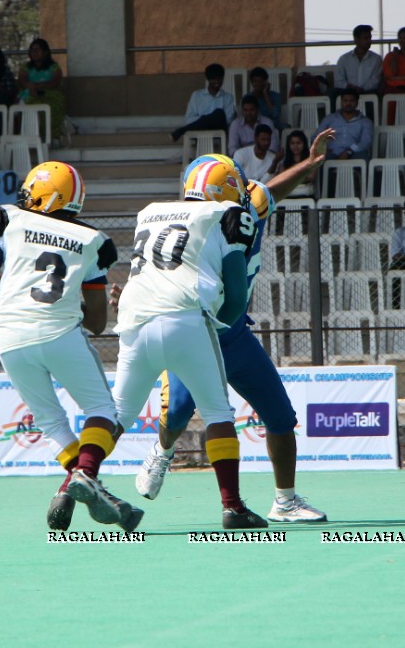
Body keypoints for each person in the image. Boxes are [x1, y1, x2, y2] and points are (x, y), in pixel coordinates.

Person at [128, 135, 335, 524]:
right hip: (193, 333)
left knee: (280, 416)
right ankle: (163, 450)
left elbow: (269, 191)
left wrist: (307, 166)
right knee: (174, 418)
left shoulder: (244, 207)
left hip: (234, 334)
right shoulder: (196, 223)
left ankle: (285, 500)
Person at [0, 161, 142, 533]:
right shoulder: (94, 241)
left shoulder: (7, 217)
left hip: (8, 334)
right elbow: (95, 324)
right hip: (58, 332)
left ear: (43, 193)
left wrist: (11, 279)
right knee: (102, 412)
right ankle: (87, 475)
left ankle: (81, 483)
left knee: (49, 422)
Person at [112, 159, 266, 529]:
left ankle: (75, 479)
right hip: (189, 319)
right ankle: (232, 505)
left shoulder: (152, 213)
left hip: (136, 319)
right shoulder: (226, 218)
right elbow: (235, 297)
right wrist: (218, 325)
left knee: (115, 413)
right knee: (215, 413)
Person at [15, 38, 66, 143]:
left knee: (55, 103)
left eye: (37, 50)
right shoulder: (26, 67)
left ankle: (52, 137)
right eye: (32, 50)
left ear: (45, 52)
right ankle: (33, 138)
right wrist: (31, 86)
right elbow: (22, 80)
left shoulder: (54, 67)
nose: (34, 53)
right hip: (30, 94)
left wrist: (39, 86)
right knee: (29, 105)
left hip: (49, 94)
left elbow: (54, 82)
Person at [172, 63, 236, 142]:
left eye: (219, 78)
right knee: (216, 115)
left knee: (219, 113)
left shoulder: (228, 97)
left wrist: (205, 119)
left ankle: (182, 130)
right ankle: (185, 129)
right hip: (199, 131)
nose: (217, 81)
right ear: (208, 79)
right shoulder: (197, 95)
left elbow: (228, 119)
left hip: (219, 131)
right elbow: (189, 119)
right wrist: (207, 120)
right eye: (213, 79)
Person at [331, 24, 383, 104]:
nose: (369, 41)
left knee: (374, 95)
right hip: (347, 92)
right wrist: (349, 87)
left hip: (368, 92)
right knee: (332, 93)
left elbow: (375, 81)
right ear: (356, 40)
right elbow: (339, 81)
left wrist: (362, 89)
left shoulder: (376, 59)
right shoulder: (344, 59)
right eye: (366, 38)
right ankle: (334, 116)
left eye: (370, 38)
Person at [315, 90, 373, 161]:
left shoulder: (366, 121)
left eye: (352, 101)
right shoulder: (329, 119)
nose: (348, 103)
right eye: (345, 100)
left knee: (364, 159)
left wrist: (349, 151)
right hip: (332, 152)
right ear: (341, 102)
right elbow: (317, 136)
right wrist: (323, 148)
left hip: (355, 153)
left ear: (357, 102)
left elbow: (365, 141)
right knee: (319, 159)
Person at [274, 130, 319, 197]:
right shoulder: (284, 163)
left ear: (304, 144)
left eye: (298, 143)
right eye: (292, 143)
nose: (295, 146)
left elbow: (311, 177)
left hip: (306, 195)